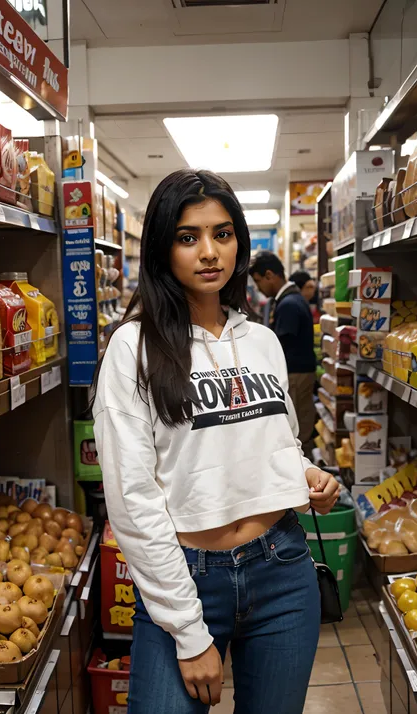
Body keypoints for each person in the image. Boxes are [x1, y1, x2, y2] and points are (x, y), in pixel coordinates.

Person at [93, 170, 339, 714]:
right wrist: (186, 626)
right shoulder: (133, 348)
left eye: (223, 234)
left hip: (282, 568)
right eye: (188, 237)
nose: (209, 252)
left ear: (240, 243)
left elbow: (278, 443)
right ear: (163, 248)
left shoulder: (263, 341)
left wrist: (305, 476)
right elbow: (133, 499)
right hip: (185, 577)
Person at [249, 253, 317, 449]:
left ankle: (304, 471)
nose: (259, 289)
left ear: (270, 275)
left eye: (258, 281)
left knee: (297, 428)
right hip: (301, 371)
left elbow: (281, 344)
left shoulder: (288, 304)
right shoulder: (293, 298)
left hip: (295, 374)